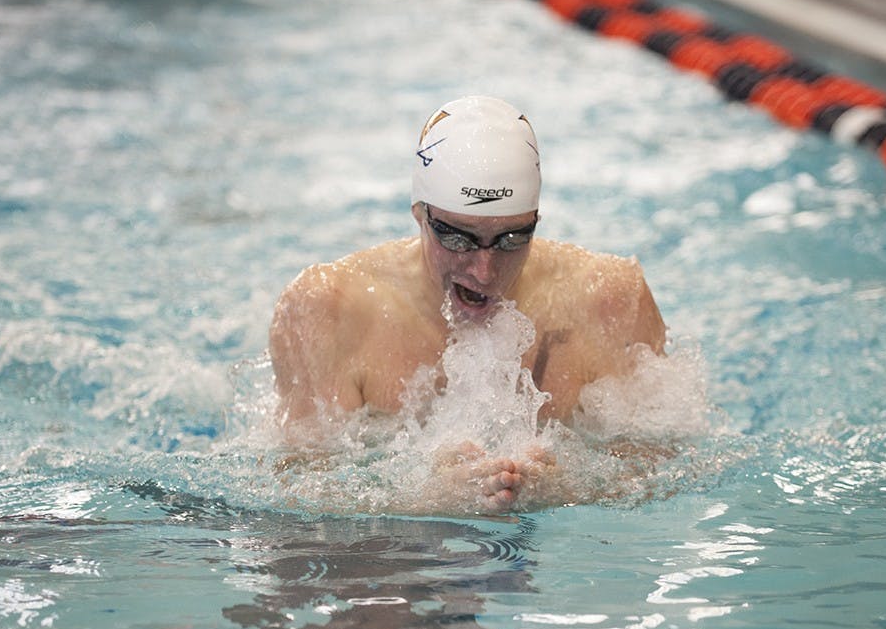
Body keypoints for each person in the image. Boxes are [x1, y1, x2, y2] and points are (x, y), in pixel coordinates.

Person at [269, 96, 666, 511]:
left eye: (513, 238)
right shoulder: (328, 310)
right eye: (457, 238)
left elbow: (674, 469)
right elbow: (295, 502)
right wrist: (426, 498)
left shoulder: (612, 301)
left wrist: (570, 489)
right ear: (419, 213)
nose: (484, 271)